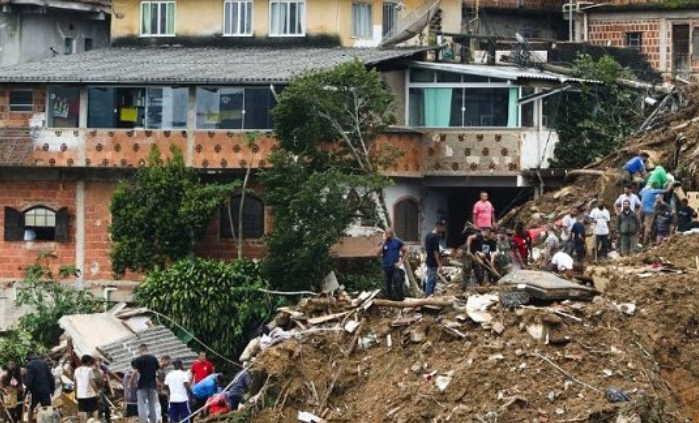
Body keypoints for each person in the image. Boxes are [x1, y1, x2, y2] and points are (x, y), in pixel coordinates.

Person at [130, 344, 160, 423]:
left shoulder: (138, 359)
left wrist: (131, 382)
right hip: (152, 385)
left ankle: (143, 421)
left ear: (140, 350)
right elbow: (156, 371)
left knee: (141, 404)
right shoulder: (154, 359)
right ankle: (153, 421)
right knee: (152, 404)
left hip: (142, 385)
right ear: (147, 349)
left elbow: (135, 372)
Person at [377, 228, 406, 300]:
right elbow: (378, 253)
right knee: (387, 284)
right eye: (386, 234)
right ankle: (389, 298)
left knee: (397, 282)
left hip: (395, 266)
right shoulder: (384, 242)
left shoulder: (397, 241)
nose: (388, 235)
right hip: (386, 266)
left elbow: (406, 251)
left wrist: (401, 262)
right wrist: (383, 242)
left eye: (389, 234)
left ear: (392, 234)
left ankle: (400, 298)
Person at [25, 355, 55, 423]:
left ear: (28, 360)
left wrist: (26, 392)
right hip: (45, 390)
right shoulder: (44, 363)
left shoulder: (30, 365)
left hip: (35, 391)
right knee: (47, 408)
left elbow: (29, 380)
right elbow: (51, 377)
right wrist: (52, 389)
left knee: (32, 407)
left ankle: (29, 421)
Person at [423, 219, 446, 296]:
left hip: (429, 259)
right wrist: (439, 264)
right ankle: (428, 295)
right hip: (433, 261)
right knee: (431, 279)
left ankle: (430, 295)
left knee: (432, 278)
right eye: (442, 227)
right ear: (438, 226)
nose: (443, 229)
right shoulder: (436, 237)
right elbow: (435, 251)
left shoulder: (428, 235)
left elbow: (428, 249)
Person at [74, 355, 100, 419]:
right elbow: (92, 383)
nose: (91, 364)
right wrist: (97, 392)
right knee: (95, 410)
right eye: (90, 362)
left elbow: (75, 383)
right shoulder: (89, 370)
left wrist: (76, 394)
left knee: (83, 411)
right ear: (88, 362)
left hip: (80, 395)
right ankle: (95, 421)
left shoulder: (76, 370)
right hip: (90, 394)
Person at [157, 355, 173, 423]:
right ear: (163, 360)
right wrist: (162, 389)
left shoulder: (162, 369)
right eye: (168, 362)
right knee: (162, 409)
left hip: (162, 392)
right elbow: (155, 379)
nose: (168, 364)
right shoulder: (157, 368)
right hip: (158, 392)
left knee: (164, 410)